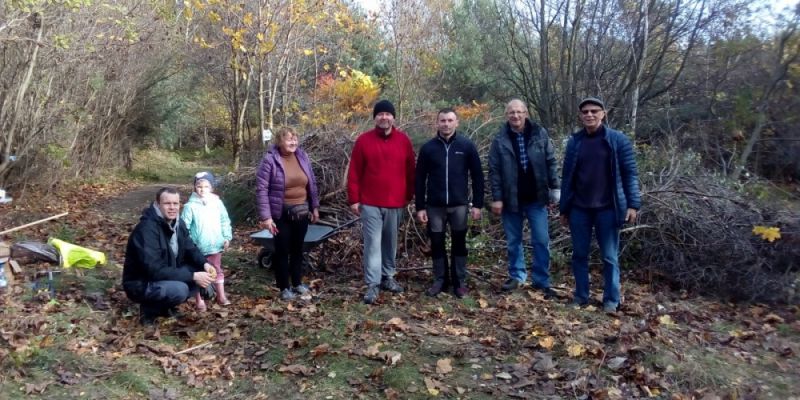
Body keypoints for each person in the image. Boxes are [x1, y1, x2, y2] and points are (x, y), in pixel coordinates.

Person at [559, 97, 641, 313]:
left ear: (603, 113)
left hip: (608, 208)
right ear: (580, 116)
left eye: (594, 111)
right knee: (579, 254)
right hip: (579, 208)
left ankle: (611, 300)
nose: (589, 115)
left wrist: (633, 204)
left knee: (609, 256)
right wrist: (564, 208)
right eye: (585, 111)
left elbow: (630, 173)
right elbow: (567, 177)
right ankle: (581, 296)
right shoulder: (575, 142)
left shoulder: (617, 140)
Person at [488, 99, 560, 297]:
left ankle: (541, 280)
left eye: (519, 112)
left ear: (526, 113)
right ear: (506, 115)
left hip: (537, 198)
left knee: (541, 239)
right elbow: (494, 171)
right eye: (511, 112)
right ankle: (517, 276)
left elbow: (551, 160)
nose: (515, 116)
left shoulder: (539, 133)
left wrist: (555, 187)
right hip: (512, 199)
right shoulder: (500, 139)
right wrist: (497, 198)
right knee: (513, 240)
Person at [347, 99, 416, 304]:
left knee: (390, 243)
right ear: (375, 117)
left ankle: (388, 277)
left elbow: (411, 171)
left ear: (393, 118)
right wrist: (354, 199)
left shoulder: (403, 141)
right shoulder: (363, 141)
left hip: (396, 203)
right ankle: (372, 284)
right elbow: (354, 172)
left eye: (388, 114)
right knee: (372, 245)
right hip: (370, 203)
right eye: (380, 114)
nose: (384, 117)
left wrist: (408, 196)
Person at [415, 108, 484, 298]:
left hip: (459, 205)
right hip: (435, 206)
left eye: (450, 120)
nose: (446, 124)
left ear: (457, 122)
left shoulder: (466, 146)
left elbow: (477, 176)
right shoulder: (428, 148)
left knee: (459, 242)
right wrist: (420, 206)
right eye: (443, 120)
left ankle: (459, 281)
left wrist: (477, 204)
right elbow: (419, 179)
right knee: (437, 242)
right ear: (437, 123)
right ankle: (440, 280)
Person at [123, 187, 217, 326]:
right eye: (167, 204)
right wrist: (193, 276)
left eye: (176, 203)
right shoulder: (146, 229)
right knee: (180, 289)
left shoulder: (179, 223)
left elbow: (190, 248)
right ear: (158, 204)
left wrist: (205, 265)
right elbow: (153, 270)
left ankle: (165, 307)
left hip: (164, 274)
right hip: (141, 283)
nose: (172, 207)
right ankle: (148, 311)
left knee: (200, 271)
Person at [256, 126, 320, 301]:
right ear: (279, 141)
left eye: (295, 138)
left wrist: (314, 207)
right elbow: (262, 189)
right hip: (280, 214)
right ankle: (284, 287)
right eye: (289, 139)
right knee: (282, 250)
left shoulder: (302, 156)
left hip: (301, 211)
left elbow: (311, 183)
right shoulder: (270, 160)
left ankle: (298, 283)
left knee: (298, 250)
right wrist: (266, 217)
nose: (293, 142)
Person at [181, 171, 233, 310]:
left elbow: (224, 220)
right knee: (199, 272)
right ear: (194, 187)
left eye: (206, 186)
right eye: (199, 186)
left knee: (216, 269)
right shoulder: (189, 207)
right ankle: (200, 300)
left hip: (215, 244)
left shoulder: (217, 203)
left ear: (211, 188)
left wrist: (226, 237)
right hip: (197, 248)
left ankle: (221, 295)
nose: (202, 189)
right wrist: (190, 243)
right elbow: (184, 227)